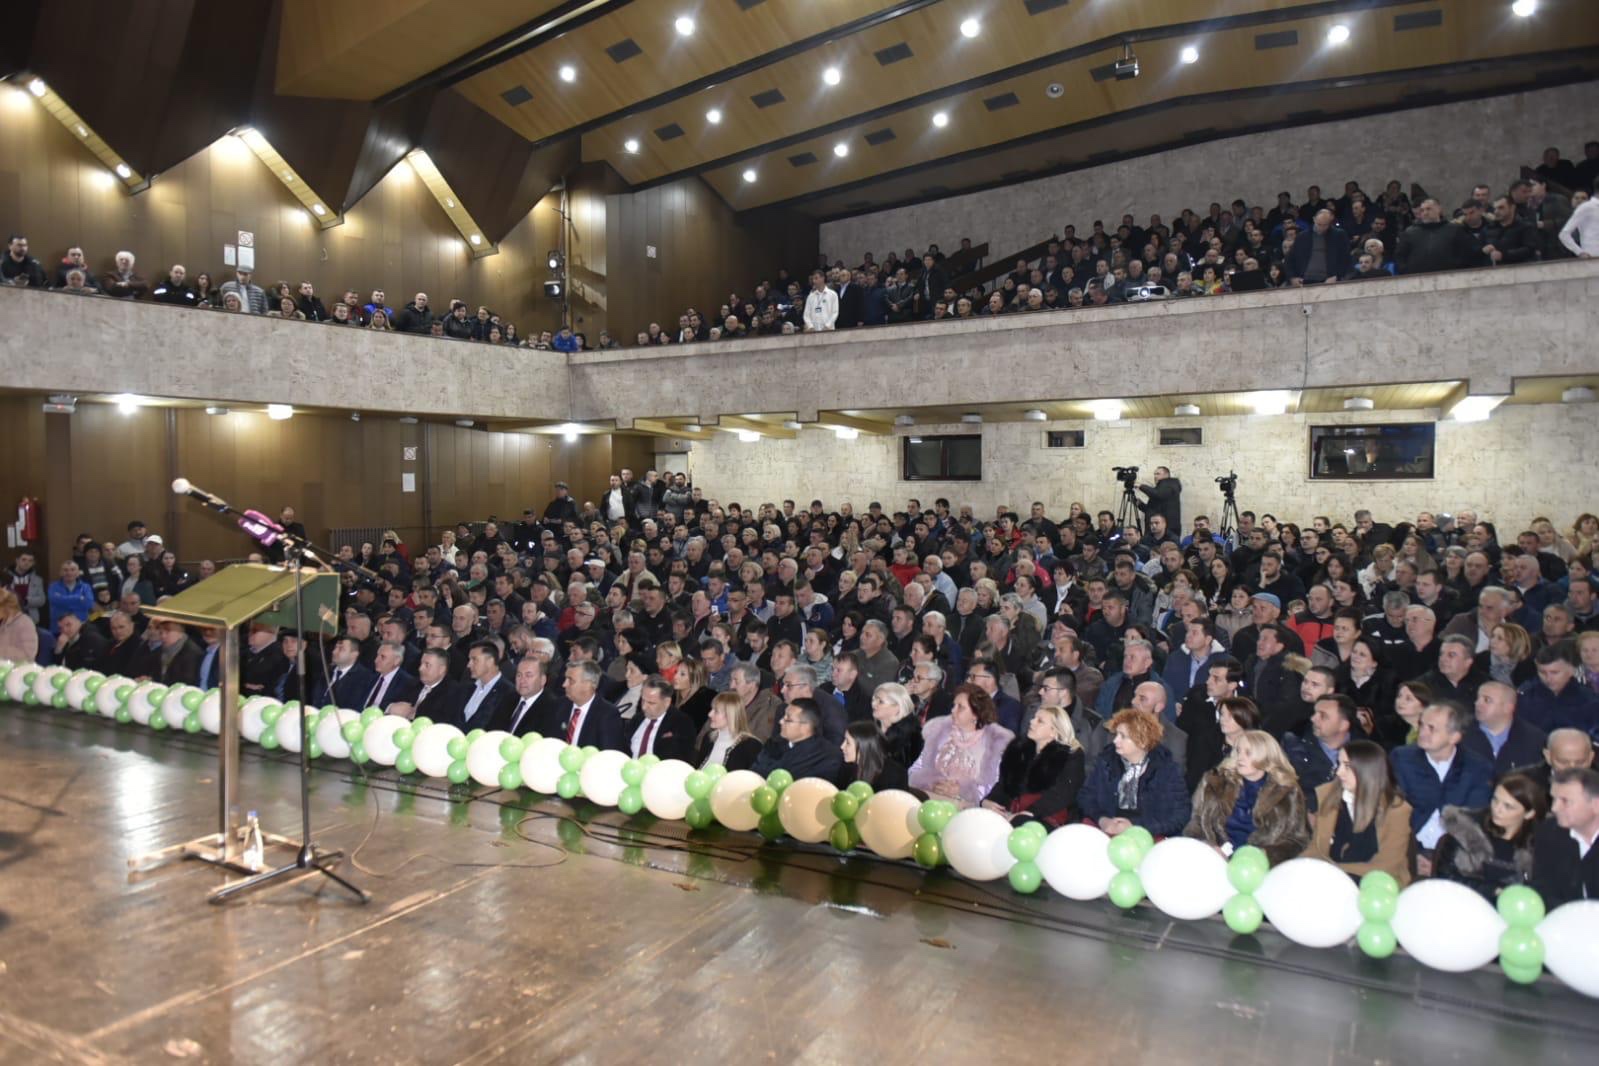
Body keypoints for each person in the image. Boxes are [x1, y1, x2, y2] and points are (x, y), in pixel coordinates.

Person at [1391, 701, 1495, 868]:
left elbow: (1474, 821)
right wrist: (1413, 854)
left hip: (1456, 857)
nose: (1422, 732)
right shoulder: (1402, 759)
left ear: (1454, 736)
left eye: (1431, 728)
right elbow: (1394, 814)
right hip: (1408, 851)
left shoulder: (1477, 768)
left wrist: (1443, 861)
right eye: (1421, 725)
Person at [1184, 730, 1308, 864]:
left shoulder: (1288, 792)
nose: (1240, 757)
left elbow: (1297, 840)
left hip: (1261, 868)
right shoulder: (1214, 784)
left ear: (1265, 756)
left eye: (1248, 753)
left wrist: (1265, 856)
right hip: (1215, 862)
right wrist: (1209, 848)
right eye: (1238, 751)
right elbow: (1195, 825)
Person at [1305, 740, 1414, 886]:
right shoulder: (1330, 798)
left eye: (1347, 766)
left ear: (1367, 771)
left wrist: (1333, 871)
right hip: (1331, 882)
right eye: (1339, 764)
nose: (1339, 772)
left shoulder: (1396, 811)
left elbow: (1387, 866)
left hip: (1376, 886)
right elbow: (1316, 848)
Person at [1077, 707, 1191, 837]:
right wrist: (1102, 819)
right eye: (1116, 734)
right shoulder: (1106, 761)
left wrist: (1136, 827)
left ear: (1142, 741)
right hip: (1107, 830)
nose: (1115, 741)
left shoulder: (1166, 770)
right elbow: (1085, 797)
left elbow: (1180, 815)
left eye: (1123, 736)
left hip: (1147, 835)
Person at [1433, 773, 1547, 901]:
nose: (1497, 809)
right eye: (1495, 800)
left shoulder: (1540, 845)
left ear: (1529, 813)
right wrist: (1493, 890)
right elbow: (1445, 878)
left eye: (1508, 806)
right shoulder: (1466, 832)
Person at [908, 683, 1014, 807]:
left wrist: (960, 792)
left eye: (960, 707)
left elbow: (989, 785)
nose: (953, 710)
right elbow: (914, 770)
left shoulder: (991, 744)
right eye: (954, 705)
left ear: (976, 714)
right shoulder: (939, 734)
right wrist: (933, 784)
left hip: (965, 811)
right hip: (928, 800)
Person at [982, 704, 1086, 827]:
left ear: (1054, 732)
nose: (1031, 722)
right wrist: (988, 802)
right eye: (1034, 718)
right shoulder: (1019, 750)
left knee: (1020, 825)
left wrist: (1028, 813)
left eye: (1040, 721)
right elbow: (1004, 785)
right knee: (982, 816)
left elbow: (1060, 796)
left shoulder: (1070, 757)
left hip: (1046, 817)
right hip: (1014, 812)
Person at [1530, 767, 1599, 905]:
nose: (1554, 808)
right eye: (1554, 799)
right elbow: (1544, 891)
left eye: (1565, 801)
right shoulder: (1548, 833)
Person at [1462, 681, 1548, 777]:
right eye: (1478, 698)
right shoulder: (1460, 734)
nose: (1478, 703)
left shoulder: (1534, 739)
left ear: (1508, 708)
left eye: (1487, 700)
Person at [754, 697, 846, 780]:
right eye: (783, 717)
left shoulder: (828, 756)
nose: (781, 721)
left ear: (806, 727)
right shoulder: (773, 743)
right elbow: (755, 773)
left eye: (787, 719)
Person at [630, 675, 696, 760]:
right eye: (643, 700)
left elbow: (683, 759)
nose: (644, 707)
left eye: (651, 703)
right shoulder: (638, 719)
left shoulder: (682, 723)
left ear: (667, 702)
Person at [696, 691, 763, 771]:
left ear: (730, 715)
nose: (710, 714)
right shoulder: (708, 738)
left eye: (716, 711)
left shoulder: (751, 746)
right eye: (712, 709)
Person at [839, 720, 909, 791]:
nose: (842, 746)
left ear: (863, 747)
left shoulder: (894, 775)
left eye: (848, 742)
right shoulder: (847, 767)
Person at [871, 682, 923, 768]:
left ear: (897, 707)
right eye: (874, 699)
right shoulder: (871, 728)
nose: (873, 704)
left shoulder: (911, 737)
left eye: (880, 701)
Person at [1136, 467, 1182, 537]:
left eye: (1158, 474)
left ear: (1166, 475)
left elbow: (1158, 494)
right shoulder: (1161, 488)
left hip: (1166, 531)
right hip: (1156, 530)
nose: (1155, 476)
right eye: (1154, 474)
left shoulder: (1170, 485)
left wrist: (1141, 486)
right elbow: (1153, 511)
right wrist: (1140, 504)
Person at [0, 589, 39, 663]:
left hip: (20, 670)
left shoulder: (25, 623)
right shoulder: (3, 623)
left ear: (5, 607)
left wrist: (2, 651)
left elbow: (28, 655)